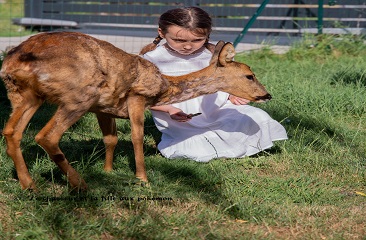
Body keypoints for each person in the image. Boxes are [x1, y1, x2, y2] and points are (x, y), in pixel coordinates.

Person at [140, 6, 287, 162]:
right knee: (195, 147)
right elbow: (142, 98)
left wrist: (231, 95)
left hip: (218, 110)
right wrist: (169, 109)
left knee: (256, 116)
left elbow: (227, 81)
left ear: (207, 35)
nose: (188, 46)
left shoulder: (212, 55)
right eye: (179, 40)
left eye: (197, 40)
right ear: (162, 33)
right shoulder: (152, 60)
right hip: (183, 122)